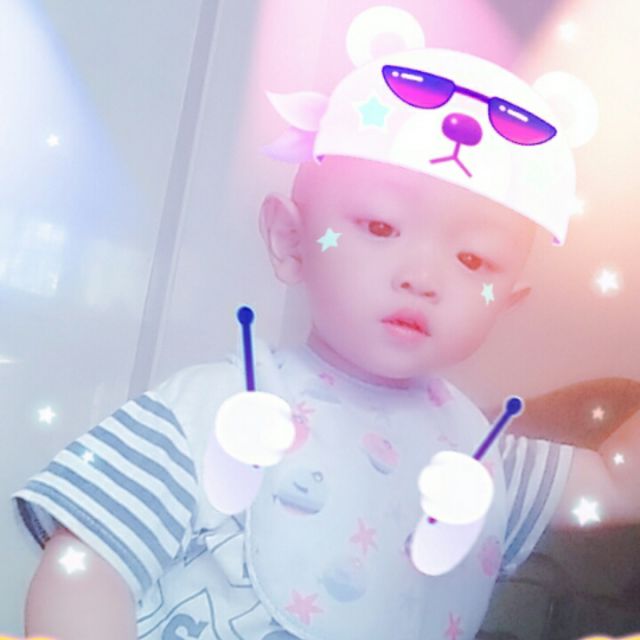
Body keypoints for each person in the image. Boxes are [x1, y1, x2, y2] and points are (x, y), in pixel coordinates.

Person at [14, 7, 637, 640]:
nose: (422, 276)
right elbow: (84, 560)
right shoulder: (214, 409)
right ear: (291, 240)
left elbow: (619, 482)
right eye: (381, 227)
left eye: (473, 259)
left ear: (505, 303)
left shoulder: (481, 457)